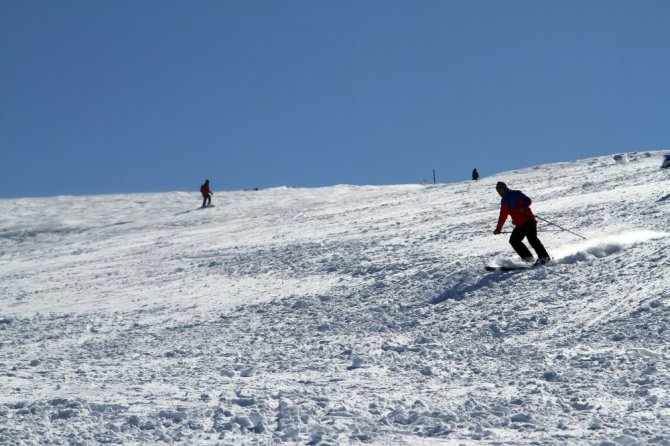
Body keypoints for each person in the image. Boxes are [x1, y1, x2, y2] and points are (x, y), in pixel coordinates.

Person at [493, 181, 550, 264]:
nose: (499, 192)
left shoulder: (515, 194)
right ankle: (528, 259)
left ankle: (544, 257)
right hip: (519, 224)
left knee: (532, 239)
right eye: (497, 190)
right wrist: (498, 228)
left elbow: (528, 200)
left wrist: (523, 207)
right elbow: (503, 216)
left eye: (500, 190)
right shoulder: (504, 201)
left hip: (528, 220)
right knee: (514, 240)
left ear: (505, 188)